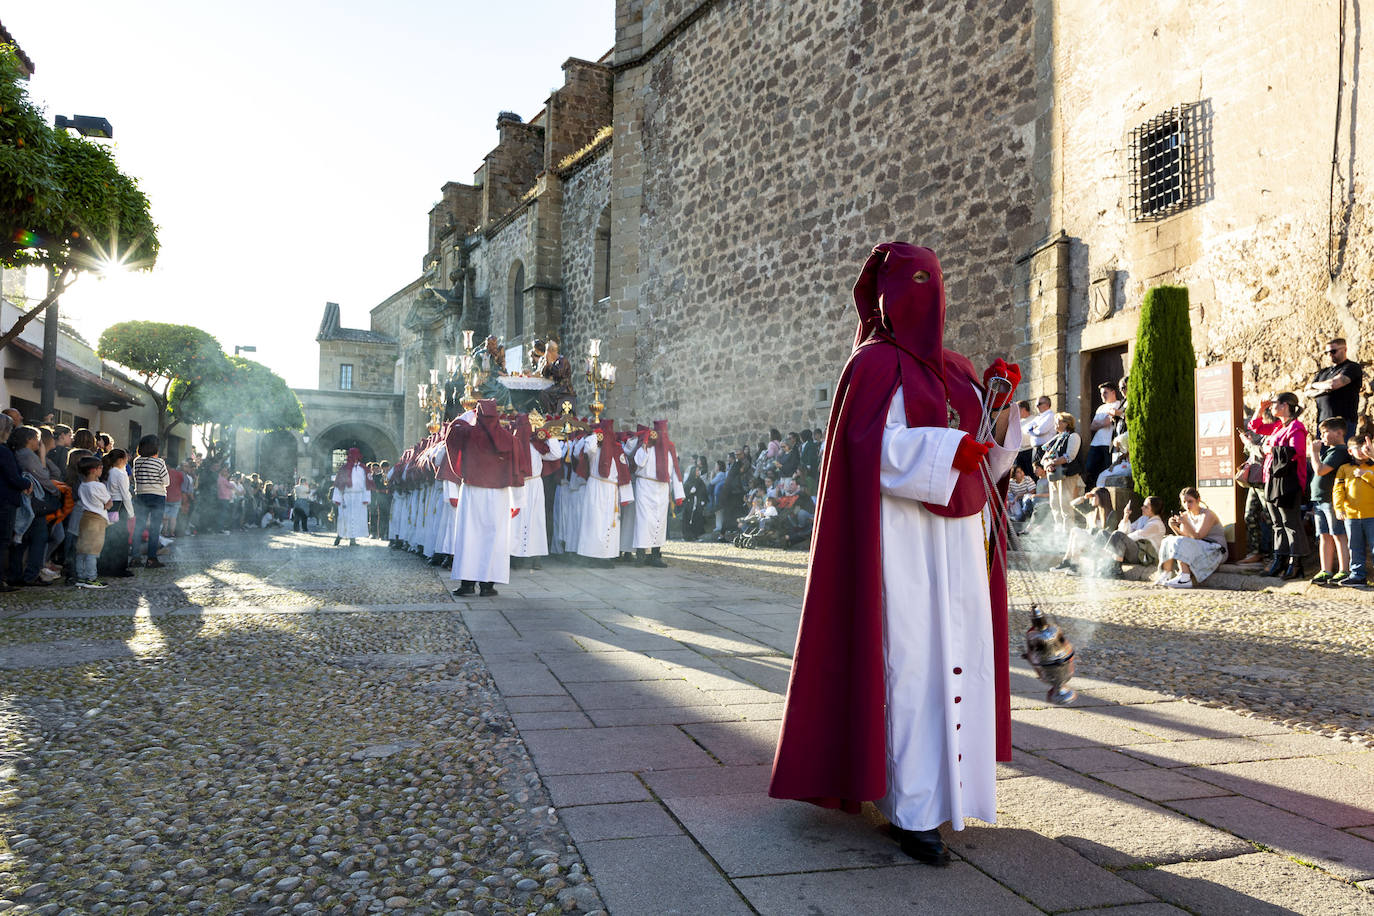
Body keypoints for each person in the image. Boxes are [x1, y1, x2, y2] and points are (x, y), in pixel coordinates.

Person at [770, 242, 1021, 868]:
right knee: (911, 665)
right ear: (884, 293)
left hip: (959, 541)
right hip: (900, 540)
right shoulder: (873, 366)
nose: (924, 291)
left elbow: (991, 456)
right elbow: (870, 451)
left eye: (933, 278)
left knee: (959, 656)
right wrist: (942, 452)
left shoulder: (956, 368)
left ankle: (954, 795)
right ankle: (912, 809)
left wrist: (1000, 420)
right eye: (913, 280)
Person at [446, 400, 521, 595]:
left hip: (473, 491)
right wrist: (517, 501)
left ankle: (467, 584)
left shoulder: (467, 434)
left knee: (469, 536)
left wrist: (467, 415)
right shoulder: (509, 438)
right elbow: (516, 468)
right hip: (499, 493)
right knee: (494, 537)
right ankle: (488, 585)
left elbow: (451, 431)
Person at [1249, 392, 1310, 580]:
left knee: (1290, 522)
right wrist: (1260, 409)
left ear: (1285, 406)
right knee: (1276, 523)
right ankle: (1279, 559)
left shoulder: (1296, 427)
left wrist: (1270, 450)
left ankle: (1296, 563)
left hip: (1287, 481)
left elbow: (1296, 451)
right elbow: (1255, 426)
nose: (1271, 406)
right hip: (1271, 479)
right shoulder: (1277, 426)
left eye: (1274, 403)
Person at [576, 419, 634, 568]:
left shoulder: (617, 449)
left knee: (610, 524)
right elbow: (588, 450)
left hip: (611, 490)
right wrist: (595, 435)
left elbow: (623, 472)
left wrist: (626, 496)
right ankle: (592, 556)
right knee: (594, 522)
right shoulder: (596, 448)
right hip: (596, 487)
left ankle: (606, 556)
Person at [629, 420, 685, 566]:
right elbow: (639, 462)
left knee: (660, 522)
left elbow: (675, 471)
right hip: (645, 486)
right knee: (644, 521)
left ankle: (655, 555)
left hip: (662, 488)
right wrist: (646, 443)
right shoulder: (647, 446)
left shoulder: (670, 449)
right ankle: (641, 555)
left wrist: (678, 494)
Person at [1156, 487, 1227, 588]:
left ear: (1198, 500)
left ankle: (1185, 577)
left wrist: (1185, 522)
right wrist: (1173, 527)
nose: (1187, 505)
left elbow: (1198, 536)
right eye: (1184, 502)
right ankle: (1166, 573)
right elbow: (1183, 538)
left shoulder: (1208, 514)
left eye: (1190, 501)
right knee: (1168, 539)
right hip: (1200, 547)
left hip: (1215, 549)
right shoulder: (1185, 515)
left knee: (1179, 541)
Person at [1309, 417, 1352, 586]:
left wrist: (1313, 453)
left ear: (1339, 433)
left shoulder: (1339, 451)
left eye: (1326, 432)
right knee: (1324, 535)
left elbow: (1320, 470)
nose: (1322, 436)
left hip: (1331, 500)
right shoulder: (1331, 451)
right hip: (1319, 500)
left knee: (1338, 534)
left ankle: (1344, 570)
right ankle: (1325, 569)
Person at [1333, 435, 1374, 588]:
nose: (1363, 451)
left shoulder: (1372, 467)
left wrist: (1367, 476)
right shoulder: (1344, 469)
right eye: (1359, 448)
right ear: (1350, 451)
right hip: (1351, 515)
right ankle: (1357, 576)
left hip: (1372, 515)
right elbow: (1338, 490)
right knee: (1354, 546)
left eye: (1366, 448)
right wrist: (1338, 508)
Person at [1303, 337, 1362, 437]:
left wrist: (1314, 385)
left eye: (1333, 351)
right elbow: (1307, 392)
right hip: (1323, 422)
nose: (1330, 355)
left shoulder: (1351, 367)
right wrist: (1325, 389)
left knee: (1341, 452)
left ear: (1345, 349)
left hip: (1343, 423)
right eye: (1326, 352)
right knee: (1323, 452)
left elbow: (1333, 384)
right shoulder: (1323, 372)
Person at [1052, 487, 1119, 573]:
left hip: (1100, 546)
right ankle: (1071, 564)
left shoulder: (1112, 514)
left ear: (1102, 498)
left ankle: (1070, 563)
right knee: (1075, 533)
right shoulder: (1091, 512)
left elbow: (1107, 534)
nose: (1091, 499)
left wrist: (1092, 531)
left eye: (1094, 496)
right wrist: (1084, 497)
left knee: (1075, 530)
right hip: (1087, 543)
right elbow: (1072, 504)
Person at [0, 414, 31, 592]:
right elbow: (13, 476)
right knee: (3, 540)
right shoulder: (4, 451)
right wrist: (26, 484)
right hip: (5, 500)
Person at [130, 435, 170, 569]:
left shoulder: (136, 461)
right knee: (154, 528)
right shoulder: (159, 462)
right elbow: (166, 481)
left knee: (138, 528)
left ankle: (135, 558)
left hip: (141, 495)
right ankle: (151, 559)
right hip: (157, 496)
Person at [73, 455, 111, 590]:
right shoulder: (99, 486)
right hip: (97, 519)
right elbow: (108, 503)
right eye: (100, 468)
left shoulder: (82, 485)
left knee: (82, 549)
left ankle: (81, 577)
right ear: (94, 470)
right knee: (93, 551)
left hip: (85, 518)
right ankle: (91, 578)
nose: (102, 470)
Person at [1040, 412, 1082, 533]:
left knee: (1065, 505)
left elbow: (1069, 456)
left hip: (1068, 475)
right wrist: (1048, 465)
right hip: (1054, 476)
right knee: (1054, 504)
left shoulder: (1074, 436)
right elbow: (1044, 458)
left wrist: (1052, 463)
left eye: (1057, 421)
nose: (1055, 424)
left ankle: (1067, 533)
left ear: (1066, 423)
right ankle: (1059, 531)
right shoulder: (1056, 438)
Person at [1105, 496, 1166, 569]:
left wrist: (1117, 539)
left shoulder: (1156, 524)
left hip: (1144, 556)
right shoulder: (1143, 518)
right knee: (1103, 533)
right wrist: (1126, 516)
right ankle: (1101, 563)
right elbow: (1126, 530)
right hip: (1135, 550)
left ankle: (1116, 569)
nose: (1142, 508)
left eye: (1146, 507)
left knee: (1117, 535)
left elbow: (1136, 535)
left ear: (1154, 509)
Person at [331, 448, 374, 546]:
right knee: (344, 518)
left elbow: (366, 485)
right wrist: (337, 498)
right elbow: (339, 484)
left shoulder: (363, 469)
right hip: (346, 496)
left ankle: (353, 539)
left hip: (359, 497)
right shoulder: (344, 469)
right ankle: (340, 535)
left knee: (356, 518)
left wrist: (366, 498)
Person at [1084, 382, 1122, 492]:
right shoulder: (1101, 408)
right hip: (1096, 443)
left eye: (1105, 393)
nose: (1102, 396)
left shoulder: (1118, 404)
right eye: (1101, 393)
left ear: (1113, 392)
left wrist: (1100, 423)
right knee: (1089, 468)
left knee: (1107, 469)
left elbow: (1107, 423)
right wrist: (1103, 423)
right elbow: (1092, 426)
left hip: (1108, 444)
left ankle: (1105, 493)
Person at [1027, 395, 1057, 469]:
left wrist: (1033, 429)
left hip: (1045, 449)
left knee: (1043, 470)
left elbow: (1040, 431)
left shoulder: (1050, 416)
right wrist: (1033, 429)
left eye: (1039, 404)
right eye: (1036, 404)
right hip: (1036, 449)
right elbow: (1026, 429)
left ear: (1047, 404)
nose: (1037, 406)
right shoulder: (1038, 417)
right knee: (1036, 473)